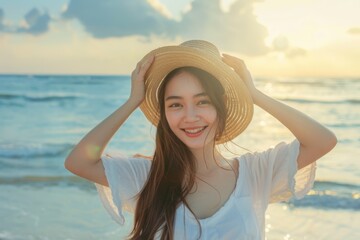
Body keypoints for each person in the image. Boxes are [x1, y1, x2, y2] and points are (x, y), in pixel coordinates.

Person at [65, 40, 337, 240]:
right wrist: (132, 101)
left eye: (202, 101)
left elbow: (322, 140)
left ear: (221, 107)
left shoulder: (255, 172)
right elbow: (79, 162)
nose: (190, 116)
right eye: (175, 105)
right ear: (164, 114)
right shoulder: (146, 176)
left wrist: (254, 94)